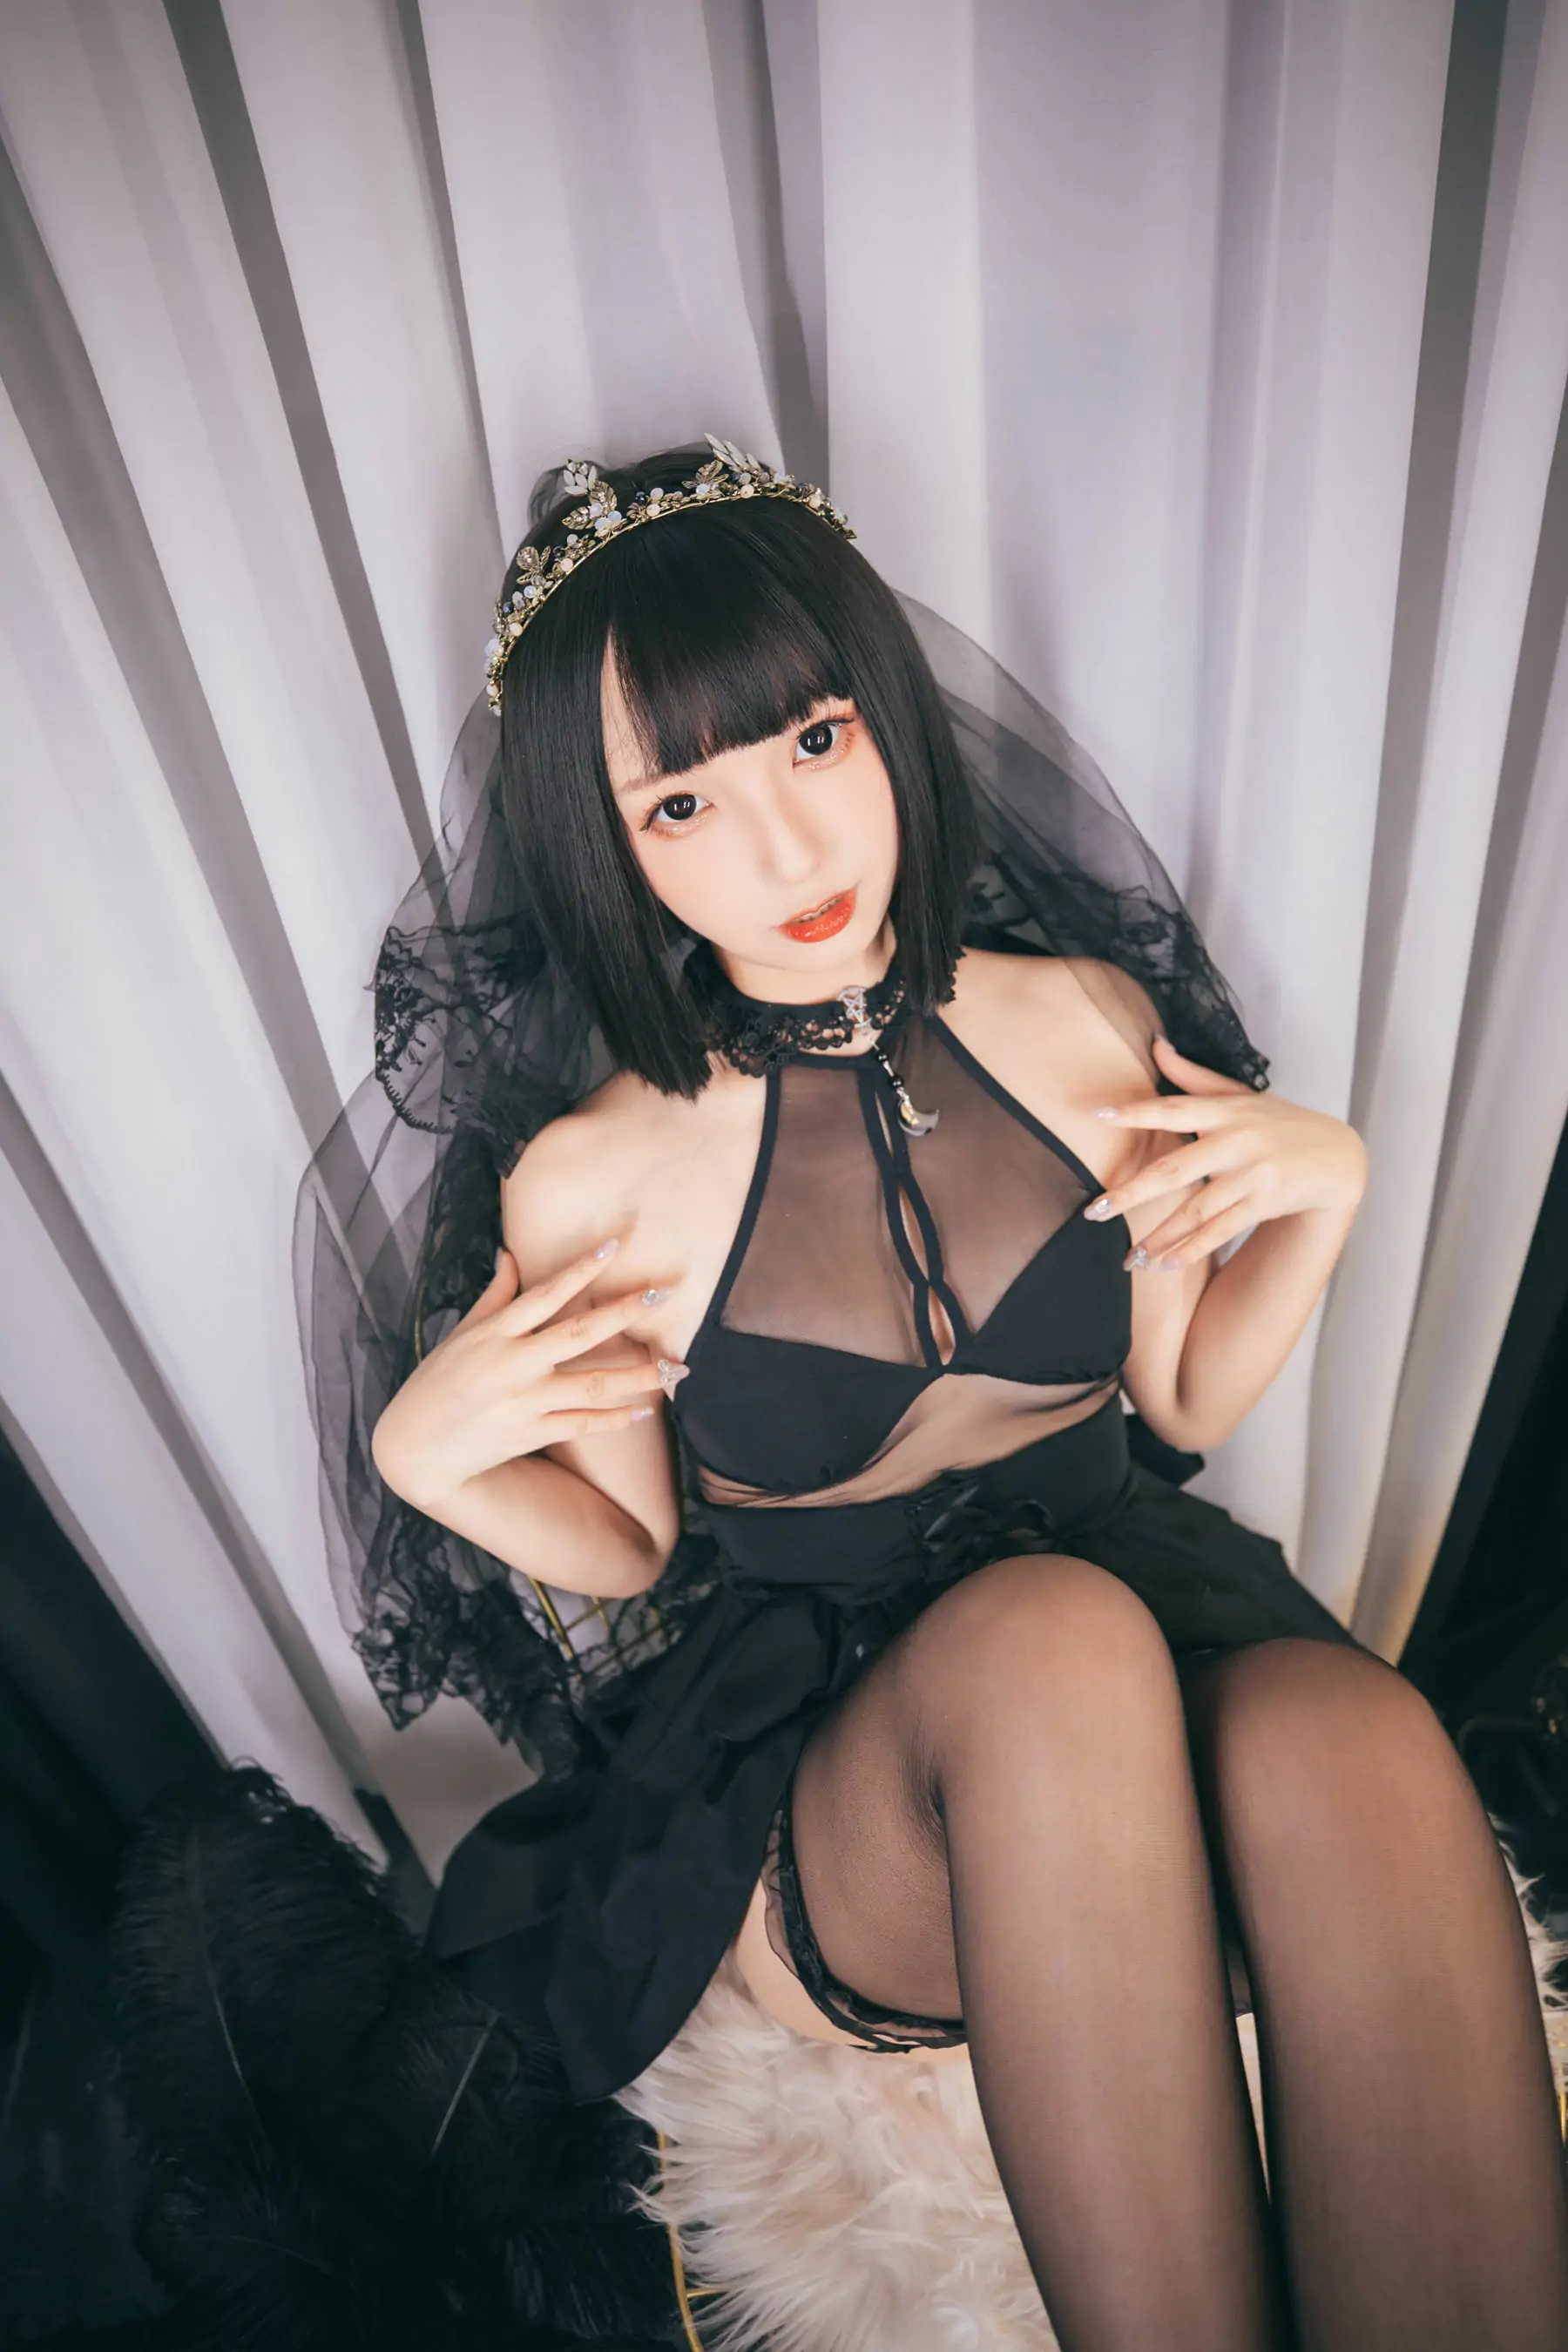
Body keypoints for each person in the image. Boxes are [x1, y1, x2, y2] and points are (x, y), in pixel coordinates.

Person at [331, 436, 1568, 2349]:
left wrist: (1327, 1193)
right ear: (610, 846)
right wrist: (426, 1455)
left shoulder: (1082, 1021)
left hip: (1149, 1616)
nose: (788, 852)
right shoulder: (600, 1176)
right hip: (842, 1760)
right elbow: (633, 1545)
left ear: (888, 714)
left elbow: (1179, 1399)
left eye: (814, 742)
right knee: (1049, 1643)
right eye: (684, 802)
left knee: (1357, 1732)